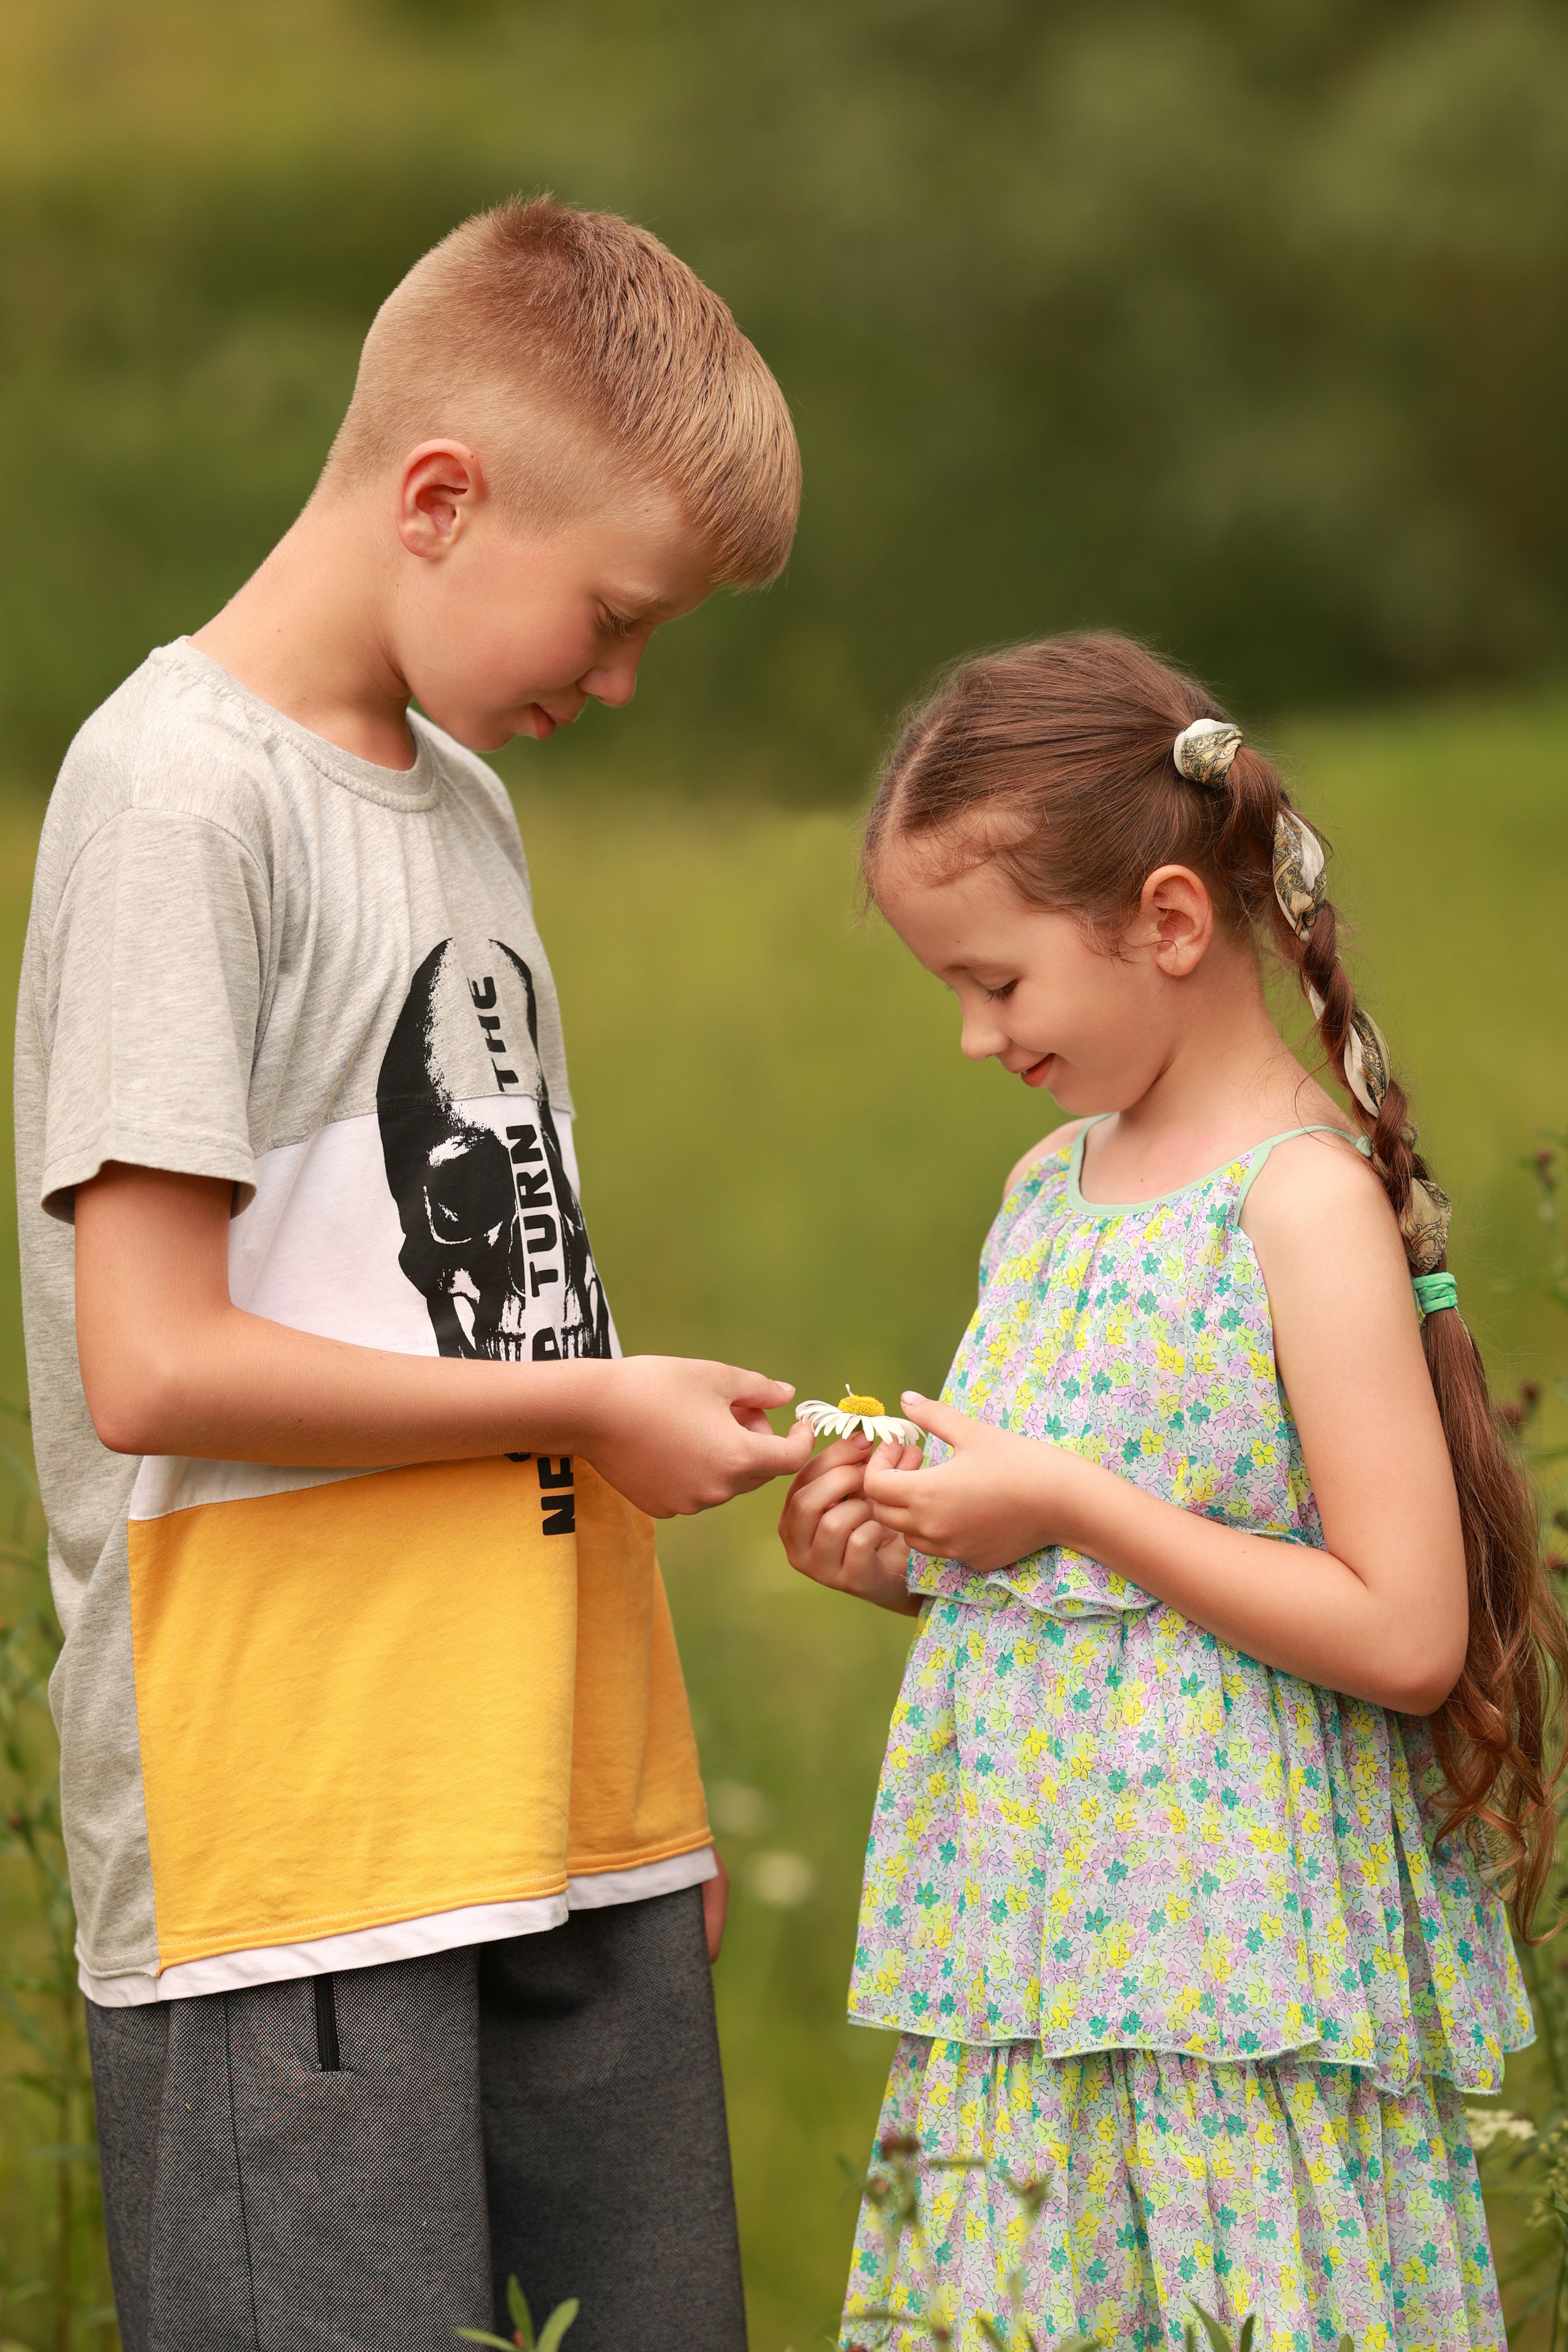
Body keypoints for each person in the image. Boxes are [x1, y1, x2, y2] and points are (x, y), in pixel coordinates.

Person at [17, 194, 813, 2352]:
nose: (622, 678)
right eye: (615, 613)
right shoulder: (179, 802)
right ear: (441, 499)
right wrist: (588, 1407)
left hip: (541, 1802)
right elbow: (156, 1361)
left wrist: (616, 1778)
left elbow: (507, 1281)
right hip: (302, 1851)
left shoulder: (460, 801)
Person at [780, 633, 1562, 2350]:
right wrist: (914, 1548)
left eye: (997, 984)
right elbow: (1077, 1567)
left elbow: (1408, 1628)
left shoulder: (1297, 1206)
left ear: (1171, 924)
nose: (977, 1039)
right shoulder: (1047, 1191)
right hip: (1034, 1967)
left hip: (1232, 1987)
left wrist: (1065, 1503)